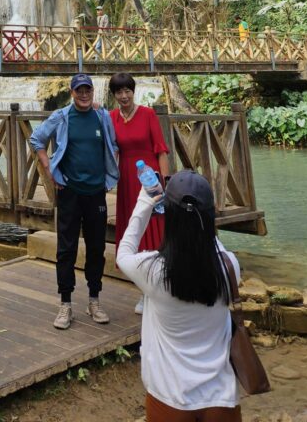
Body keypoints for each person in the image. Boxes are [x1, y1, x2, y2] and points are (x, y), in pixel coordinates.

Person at [116, 170, 241, 422]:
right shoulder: (229, 266)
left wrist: (145, 202)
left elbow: (123, 253)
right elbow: (211, 242)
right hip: (221, 401)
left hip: (170, 400)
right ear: (210, 216)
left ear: (169, 218)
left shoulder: (153, 271)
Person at [29, 72, 119, 330]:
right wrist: (50, 169)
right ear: (72, 93)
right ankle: (65, 303)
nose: (84, 94)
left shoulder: (102, 116)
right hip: (69, 192)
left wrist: (111, 173)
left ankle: (94, 300)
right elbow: (37, 139)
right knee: (66, 249)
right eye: (79, 90)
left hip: (96, 192)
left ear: (92, 92)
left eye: (87, 90)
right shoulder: (62, 116)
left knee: (96, 248)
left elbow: (114, 144)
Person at [108, 72, 170, 314]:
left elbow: (161, 151)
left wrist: (164, 183)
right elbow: (110, 149)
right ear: (114, 95)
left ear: (134, 91)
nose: (124, 96)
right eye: (119, 92)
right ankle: (144, 291)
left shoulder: (148, 114)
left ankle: (158, 288)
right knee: (133, 230)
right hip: (126, 181)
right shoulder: (111, 117)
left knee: (155, 231)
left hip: (149, 179)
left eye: (127, 91)